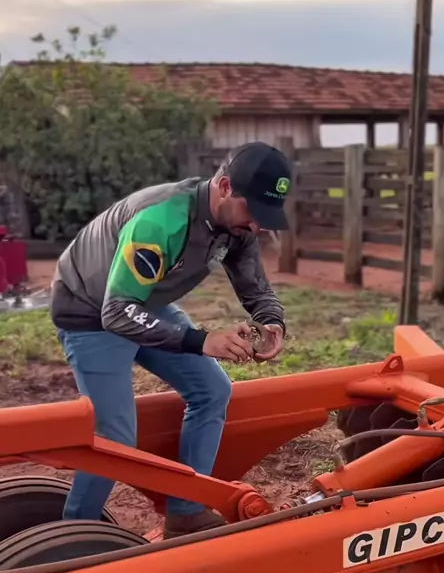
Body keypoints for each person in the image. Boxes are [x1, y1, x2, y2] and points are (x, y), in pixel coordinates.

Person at [50, 141, 292, 538]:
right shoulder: (161, 220)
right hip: (90, 311)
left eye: (265, 217)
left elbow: (257, 289)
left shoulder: (238, 225)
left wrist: (271, 322)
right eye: (253, 211)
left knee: (213, 390)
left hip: (142, 300)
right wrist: (201, 341)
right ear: (225, 187)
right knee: (115, 437)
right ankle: (72, 539)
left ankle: (186, 512)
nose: (257, 226)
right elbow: (116, 312)